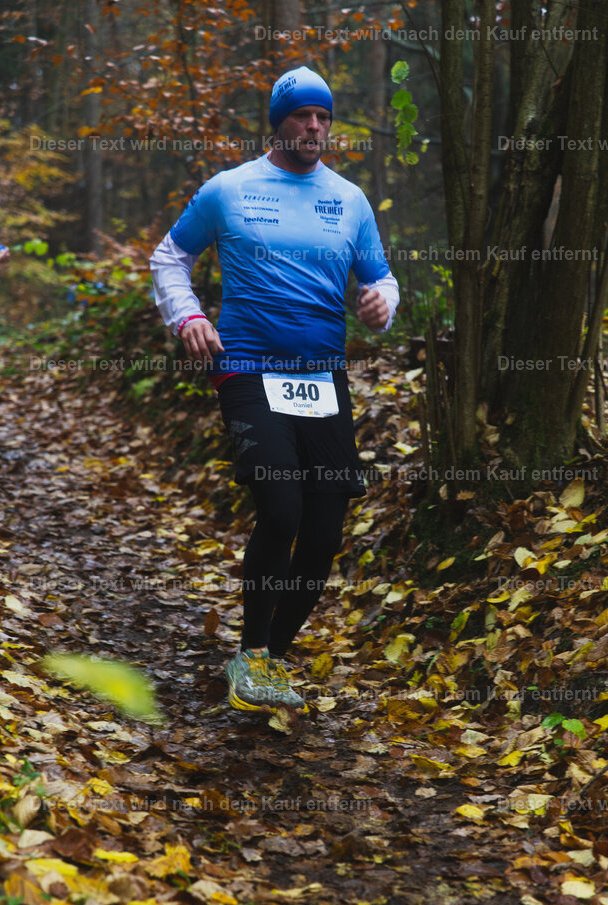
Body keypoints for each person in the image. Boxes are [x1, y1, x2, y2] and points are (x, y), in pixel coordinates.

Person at [150, 65, 399, 713]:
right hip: (247, 368)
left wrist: (380, 303)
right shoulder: (229, 190)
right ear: (278, 122)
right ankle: (253, 653)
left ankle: (269, 659)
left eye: (323, 117)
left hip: (321, 377)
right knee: (281, 509)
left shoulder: (349, 201)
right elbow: (170, 258)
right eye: (301, 116)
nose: (314, 127)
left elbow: (384, 279)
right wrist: (189, 316)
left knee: (323, 530)